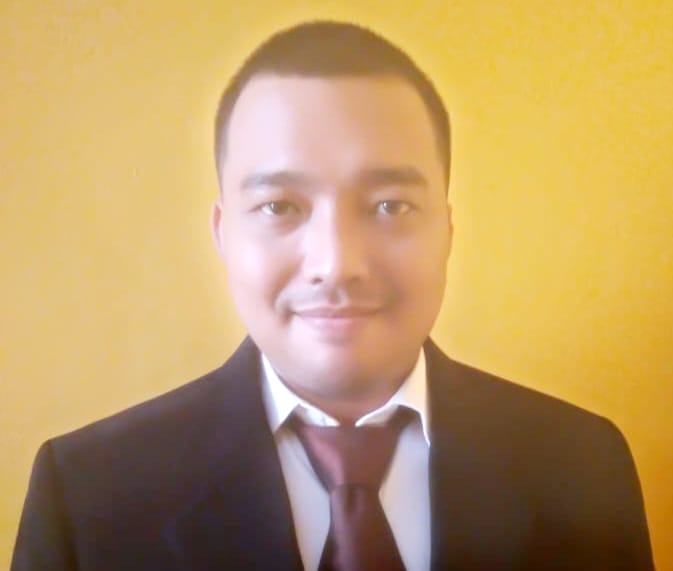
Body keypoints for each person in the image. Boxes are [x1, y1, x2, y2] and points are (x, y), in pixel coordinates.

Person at [11, 20, 654, 571]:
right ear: (224, 233)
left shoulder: (583, 465)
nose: (337, 264)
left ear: (447, 229)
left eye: (389, 205)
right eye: (280, 206)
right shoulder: (88, 496)